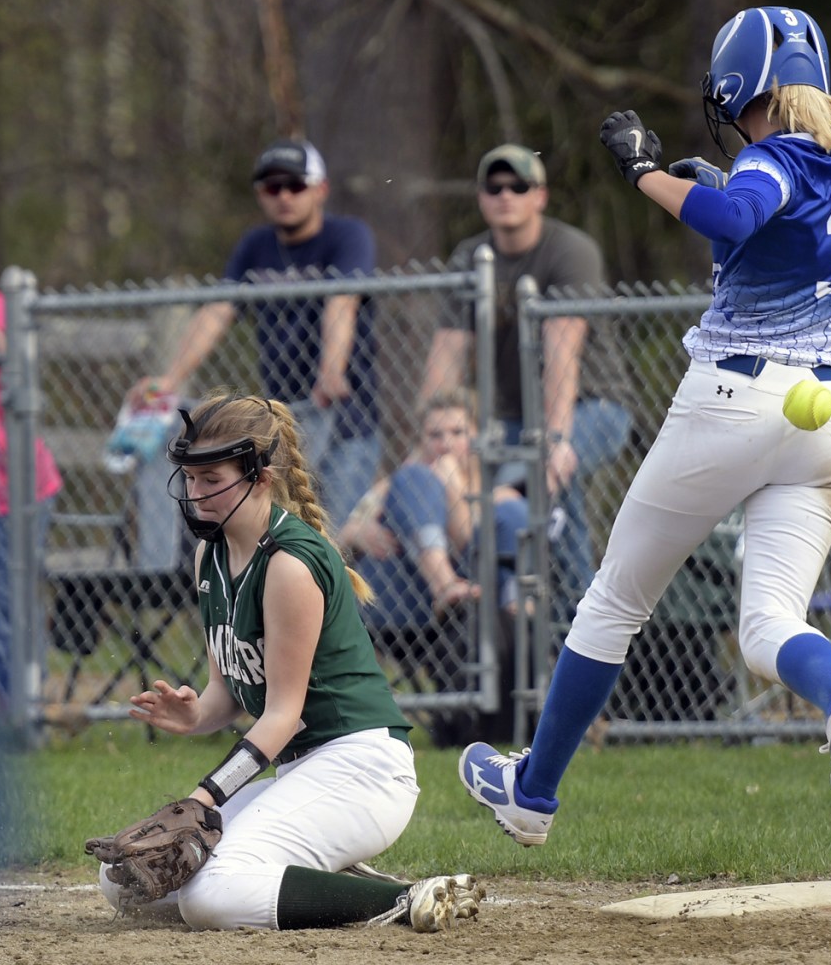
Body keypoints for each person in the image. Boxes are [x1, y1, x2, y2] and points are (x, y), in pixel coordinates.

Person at [458, 6, 831, 844]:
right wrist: (714, 184)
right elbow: (772, 222)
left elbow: (737, 217)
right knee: (769, 622)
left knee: (614, 598)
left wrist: (645, 173)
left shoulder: (771, 155)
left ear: (737, 86)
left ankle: (530, 793)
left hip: (736, 399)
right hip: (828, 414)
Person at [93, 392, 482, 931]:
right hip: (306, 771)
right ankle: (342, 880)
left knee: (210, 898)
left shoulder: (289, 564)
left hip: (362, 772)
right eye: (190, 476)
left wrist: (203, 799)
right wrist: (195, 715)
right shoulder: (213, 552)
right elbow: (227, 691)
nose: (195, 493)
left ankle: (403, 899)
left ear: (260, 477)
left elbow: (282, 715)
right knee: (126, 883)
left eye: (212, 479)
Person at [419, 144, 634, 619]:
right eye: (494, 187)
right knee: (454, 482)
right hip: (508, 420)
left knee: (554, 473)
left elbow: (562, 353)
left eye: (518, 186)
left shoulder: (570, 250)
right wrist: (434, 439)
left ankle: (577, 622)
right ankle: (503, 618)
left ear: (540, 196)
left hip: (593, 406)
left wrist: (555, 440)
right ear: (481, 197)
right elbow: (447, 354)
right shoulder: (470, 256)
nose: (505, 196)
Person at [131, 138, 379, 528]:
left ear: (321, 189)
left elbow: (341, 302)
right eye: (271, 187)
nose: (283, 196)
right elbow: (217, 312)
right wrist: (170, 381)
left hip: (344, 418)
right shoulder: (255, 246)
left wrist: (331, 370)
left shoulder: (347, 237)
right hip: (282, 425)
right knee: (285, 535)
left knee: (337, 539)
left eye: (295, 185)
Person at [340, 388, 531, 745]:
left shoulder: (497, 493)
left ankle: (454, 591)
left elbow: (473, 541)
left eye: (458, 433)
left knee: (509, 514)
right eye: (435, 435)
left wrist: (454, 488)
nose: (446, 444)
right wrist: (358, 532)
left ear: (474, 436)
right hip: (405, 611)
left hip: (479, 610)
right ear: (421, 440)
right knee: (413, 480)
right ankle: (444, 584)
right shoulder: (404, 482)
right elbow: (341, 537)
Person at [0, 291, 63, 709]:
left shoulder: (4, 305)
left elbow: (6, 348)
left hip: (14, 492)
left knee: (10, 606)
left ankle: (21, 712)